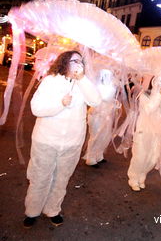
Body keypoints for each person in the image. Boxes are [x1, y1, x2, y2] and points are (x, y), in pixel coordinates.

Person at [23, 51, 101, 228]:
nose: (78, 64)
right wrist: (60, 104)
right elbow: (36, 108)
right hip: (46, 140)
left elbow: (96, 101)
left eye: (81, 61)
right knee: (40, 177)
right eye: (74, 60)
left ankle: (53, 210)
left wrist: (82, 79)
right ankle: (32, 211)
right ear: (65, 62)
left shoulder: (83, 83)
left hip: (72, 143)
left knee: (62, 178)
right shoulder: (50, 81)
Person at [127, 76, 161, 191]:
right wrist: (158, 97)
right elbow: (148, 109)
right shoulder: (144, 95)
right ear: (152, 81)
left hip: (156, 132)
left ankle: (142, 175)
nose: (160, 83)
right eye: (158, 81)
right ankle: (133, 178)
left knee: (152, 157)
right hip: (144, 130)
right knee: (140, 156)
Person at [83, 69, 117, 167]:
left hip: (107, 114)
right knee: (95, 135)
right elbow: (102, 98)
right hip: (97, 114)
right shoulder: (97, 86)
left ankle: (98, 154)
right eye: (105, 75)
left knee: (104, 135)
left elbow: (110, 99)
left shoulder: (111, 85)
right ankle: (90, 157)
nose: (108, 77)